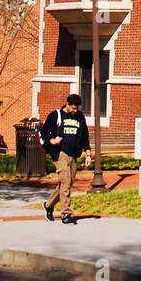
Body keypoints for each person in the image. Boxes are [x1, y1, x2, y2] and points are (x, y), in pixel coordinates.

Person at [41, 94, 91, 224]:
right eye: (73, 108)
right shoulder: (56, 115)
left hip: (73, 154)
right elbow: (44, 131)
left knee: (67, 183)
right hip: (60, 153)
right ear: (67, 104)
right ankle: (66, 213)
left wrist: (88, 154)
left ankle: (48, 205)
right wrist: (52, 140)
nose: (75, 111)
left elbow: (85, 136)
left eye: (77, 108)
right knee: (65, 180)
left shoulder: (80, 117)